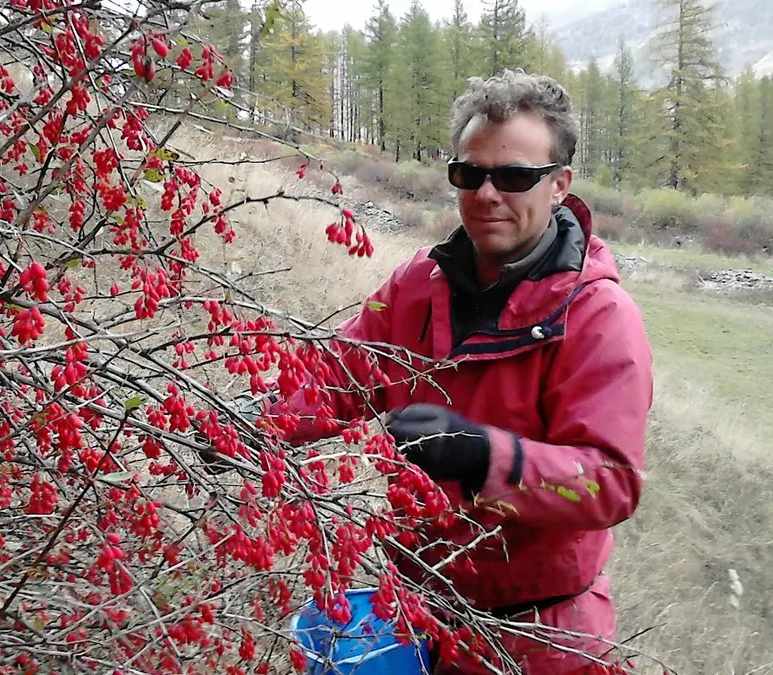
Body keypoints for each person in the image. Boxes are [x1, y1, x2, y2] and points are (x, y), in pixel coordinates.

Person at [235, 70, 654, 674]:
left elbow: (609, 482)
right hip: (417, 608)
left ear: (560, 185)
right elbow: (336, 381)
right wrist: (253, 428)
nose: (487, 194)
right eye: (470, 173)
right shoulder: (415, 289)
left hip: (538, 637)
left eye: (514, 177)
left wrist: (488, 457)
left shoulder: (598, 318)